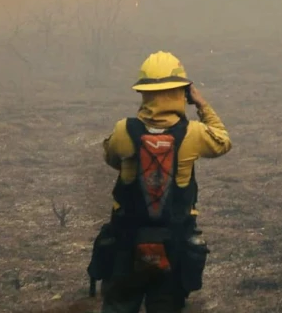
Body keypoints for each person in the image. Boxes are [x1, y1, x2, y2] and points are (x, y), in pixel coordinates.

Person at [97, 51, 232, 313]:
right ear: (182, 91)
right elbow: (222, 141)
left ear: (144, 93)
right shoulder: (194, 133)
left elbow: (111, 157)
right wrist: (201, 104)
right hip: (174, 245)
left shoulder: (124, 130)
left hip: (126, 244)